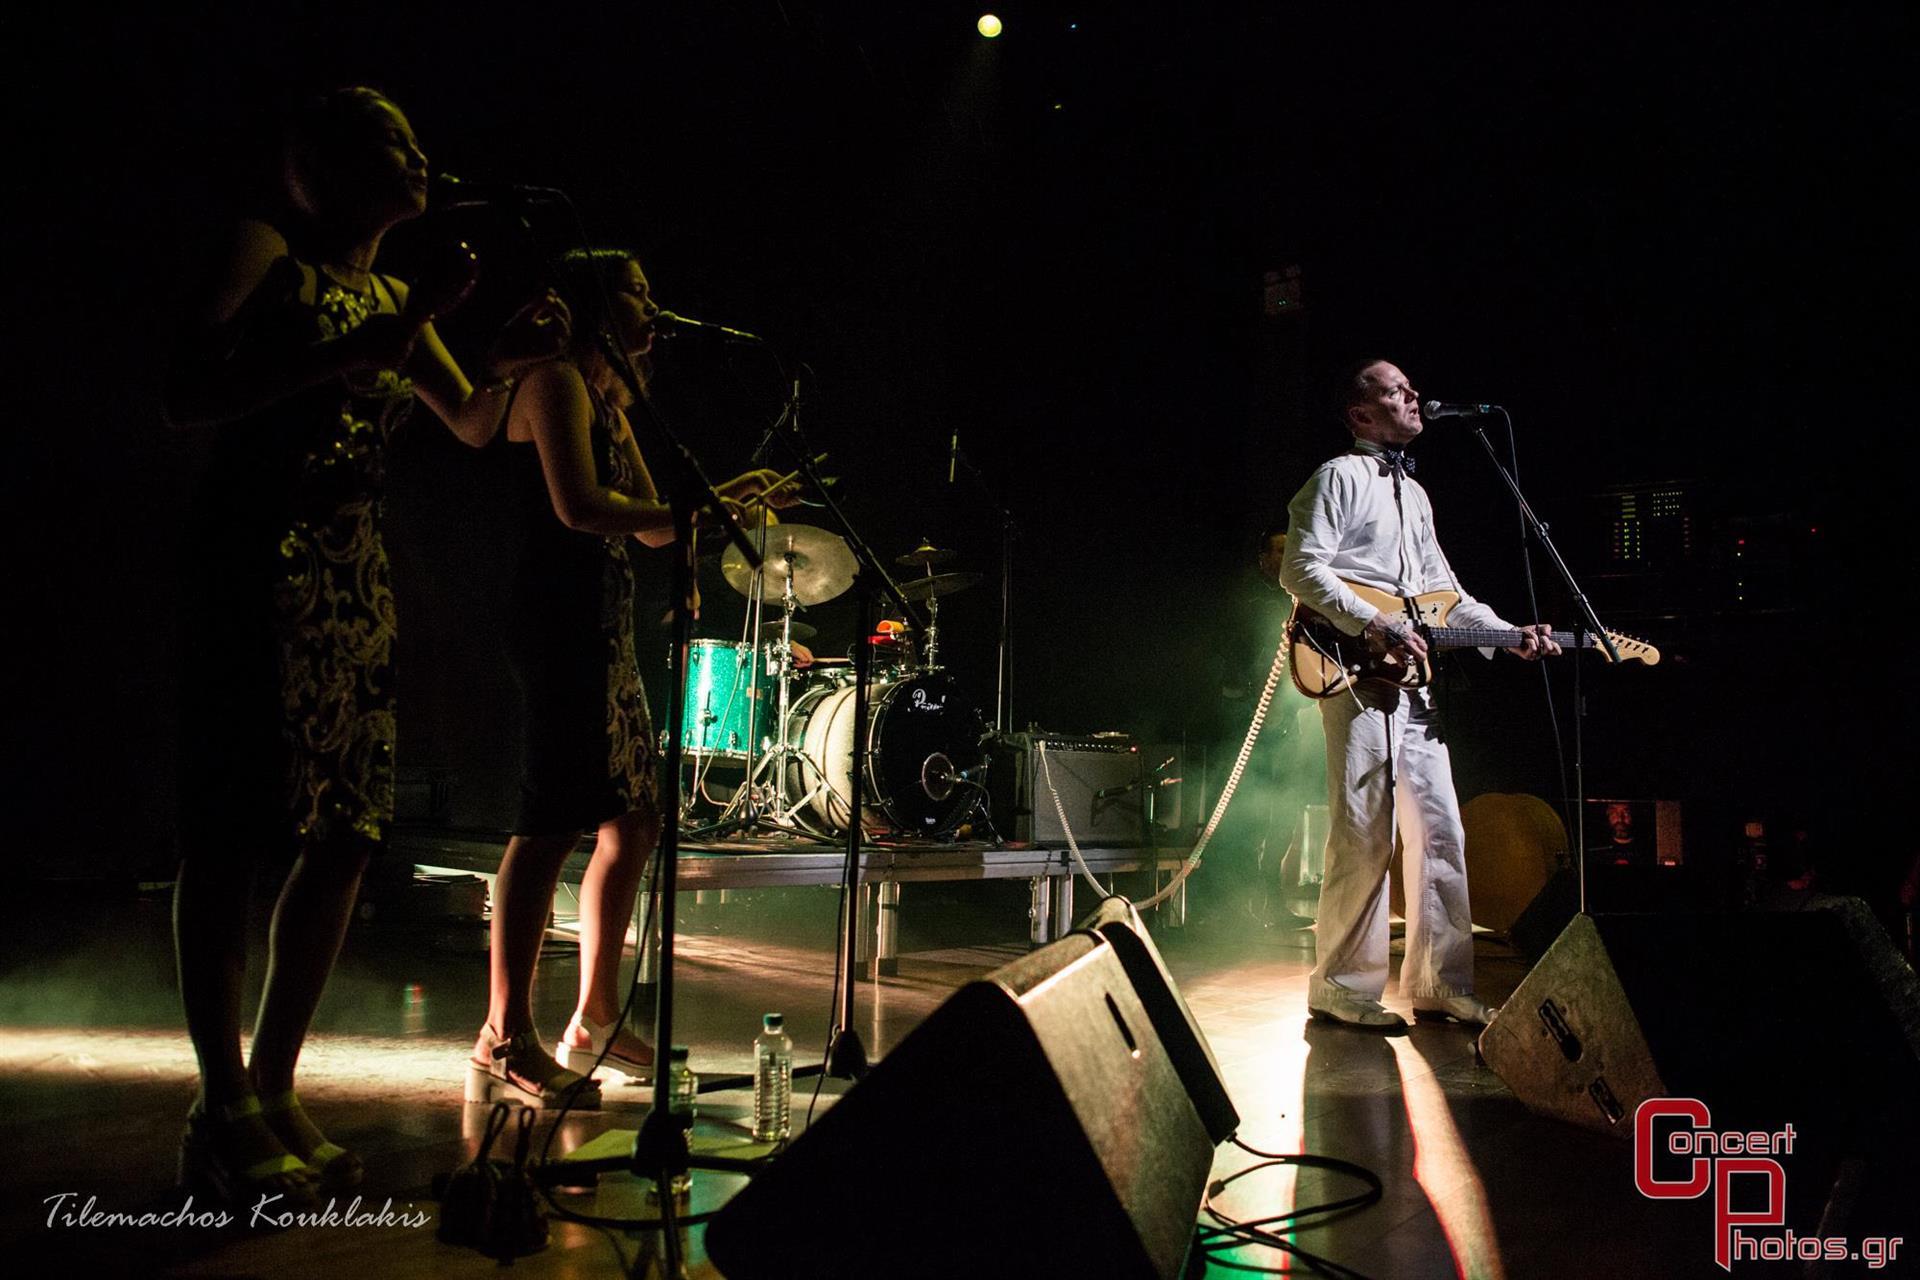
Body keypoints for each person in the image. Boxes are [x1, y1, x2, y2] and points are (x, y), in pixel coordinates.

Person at [166, 86, 564, 1204]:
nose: (424, 155)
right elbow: (181, 391)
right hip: (253, 572)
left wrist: (520, 355)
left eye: (421, 138)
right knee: (234, 828)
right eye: (395, 140)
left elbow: (474, 422)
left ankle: (274, 1079)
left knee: (345, 831)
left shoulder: (397, 291)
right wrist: (371, 345)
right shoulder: (267, 251)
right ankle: (220, 1097)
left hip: (350, 583)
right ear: (324, 164)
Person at [468, 247, 795, 1107]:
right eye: (637, 291)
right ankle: (504, 1033)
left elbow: (652, 528)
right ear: (596, 307)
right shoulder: (553, 383)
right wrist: (701, 510)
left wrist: (731, 496)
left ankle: (593, 1015)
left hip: (601, 628)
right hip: (556, 623)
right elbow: (579, 509)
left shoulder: (611, 400)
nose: (654, 305)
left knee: (634, 818)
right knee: (548, 826)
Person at [1278, 358, 1559, 1030]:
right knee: (1364, 830)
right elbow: (1299, 566)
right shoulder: (1338, 477)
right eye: (1395, 388)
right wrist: (1374, 622)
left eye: (1412, 388)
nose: (1414, 396)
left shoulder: (1418, 494)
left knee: (1440, 830)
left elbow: (1446, 598)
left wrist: (1506, 632)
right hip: (1355, 670)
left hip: (1415, 684)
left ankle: (1440, 982)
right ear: (1360, 413)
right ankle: (1342, 986)